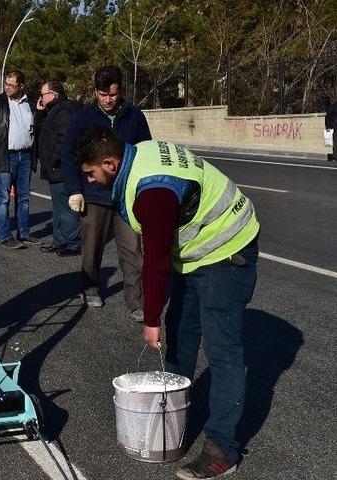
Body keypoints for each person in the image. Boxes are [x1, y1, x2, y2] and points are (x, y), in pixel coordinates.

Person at [75, 126, 259, 480]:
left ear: (110, 163)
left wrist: (150, 319)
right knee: (182, 331)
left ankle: (222, 449)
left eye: (91, 173)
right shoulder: (137, 155)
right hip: (194, 255)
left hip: (226, 249)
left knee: (223, 352)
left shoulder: (152, 191)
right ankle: (171, 416)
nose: (91, 181)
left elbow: (155, 260)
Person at [61, 65, 151, 320]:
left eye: (112, 94)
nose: (107, 100)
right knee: (91, 247)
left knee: (133, 251)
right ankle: (90, 287)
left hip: (126, 196)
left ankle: (136, 301)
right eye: (102, 94)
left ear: (120, 90)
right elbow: (68, 154)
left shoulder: (134, 116)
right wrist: (74, 190)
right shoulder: (83, 118)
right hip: (93, 196)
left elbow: (145, 151)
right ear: (95, 92)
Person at [0, 69, 41, 249]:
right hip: (5, 156)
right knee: (3, 198)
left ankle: (24, 233)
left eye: (11, 85)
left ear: (21, 86)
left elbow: (36, 126)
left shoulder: (30, 102)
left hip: (26, 156)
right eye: (6, 84)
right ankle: (5, 235)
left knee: (24, 198)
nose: (7, 88)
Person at [34, 80, 82, 257]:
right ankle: (59, 240)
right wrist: (39, 113)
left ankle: (71, 243)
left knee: (66, 206)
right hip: (54, 168)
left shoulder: (64, 111)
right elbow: (40, 131)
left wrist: (52, 160)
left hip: (61, 168)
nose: (41, 98)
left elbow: (64, 140)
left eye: (43, 95)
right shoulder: (53, 110)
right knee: (58, 207)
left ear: (53, 95)